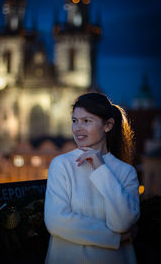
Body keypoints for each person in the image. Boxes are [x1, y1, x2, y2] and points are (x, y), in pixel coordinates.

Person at [44, 92, 140, 264]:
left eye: (87, 121)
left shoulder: (126, 172)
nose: (78, 128)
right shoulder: (61, 165)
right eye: (75, 121)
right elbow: (56, 221)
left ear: (108, 125)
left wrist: (101, 169)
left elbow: (122, 223)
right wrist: (115, 239)